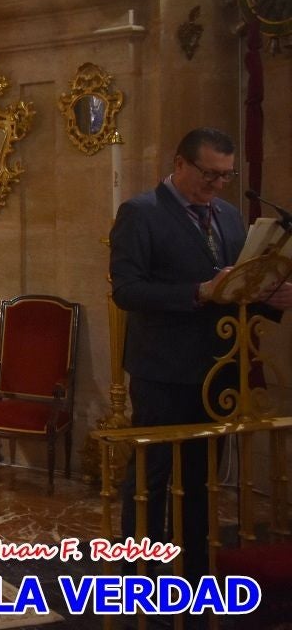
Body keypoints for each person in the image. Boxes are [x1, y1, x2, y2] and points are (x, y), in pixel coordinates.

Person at [111, 127, 291, 580]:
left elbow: (234, 286)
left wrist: (270, 297)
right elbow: (128, 291)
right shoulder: (141, 213)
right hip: (164, 367)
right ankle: (139, 575)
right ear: (179, 164)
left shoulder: (229, 216)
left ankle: (194, 569)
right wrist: (198, 292)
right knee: (152, 478)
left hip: (219, 366)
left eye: (226, 176)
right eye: (209, 174)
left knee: (201, 479)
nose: (216, 185)